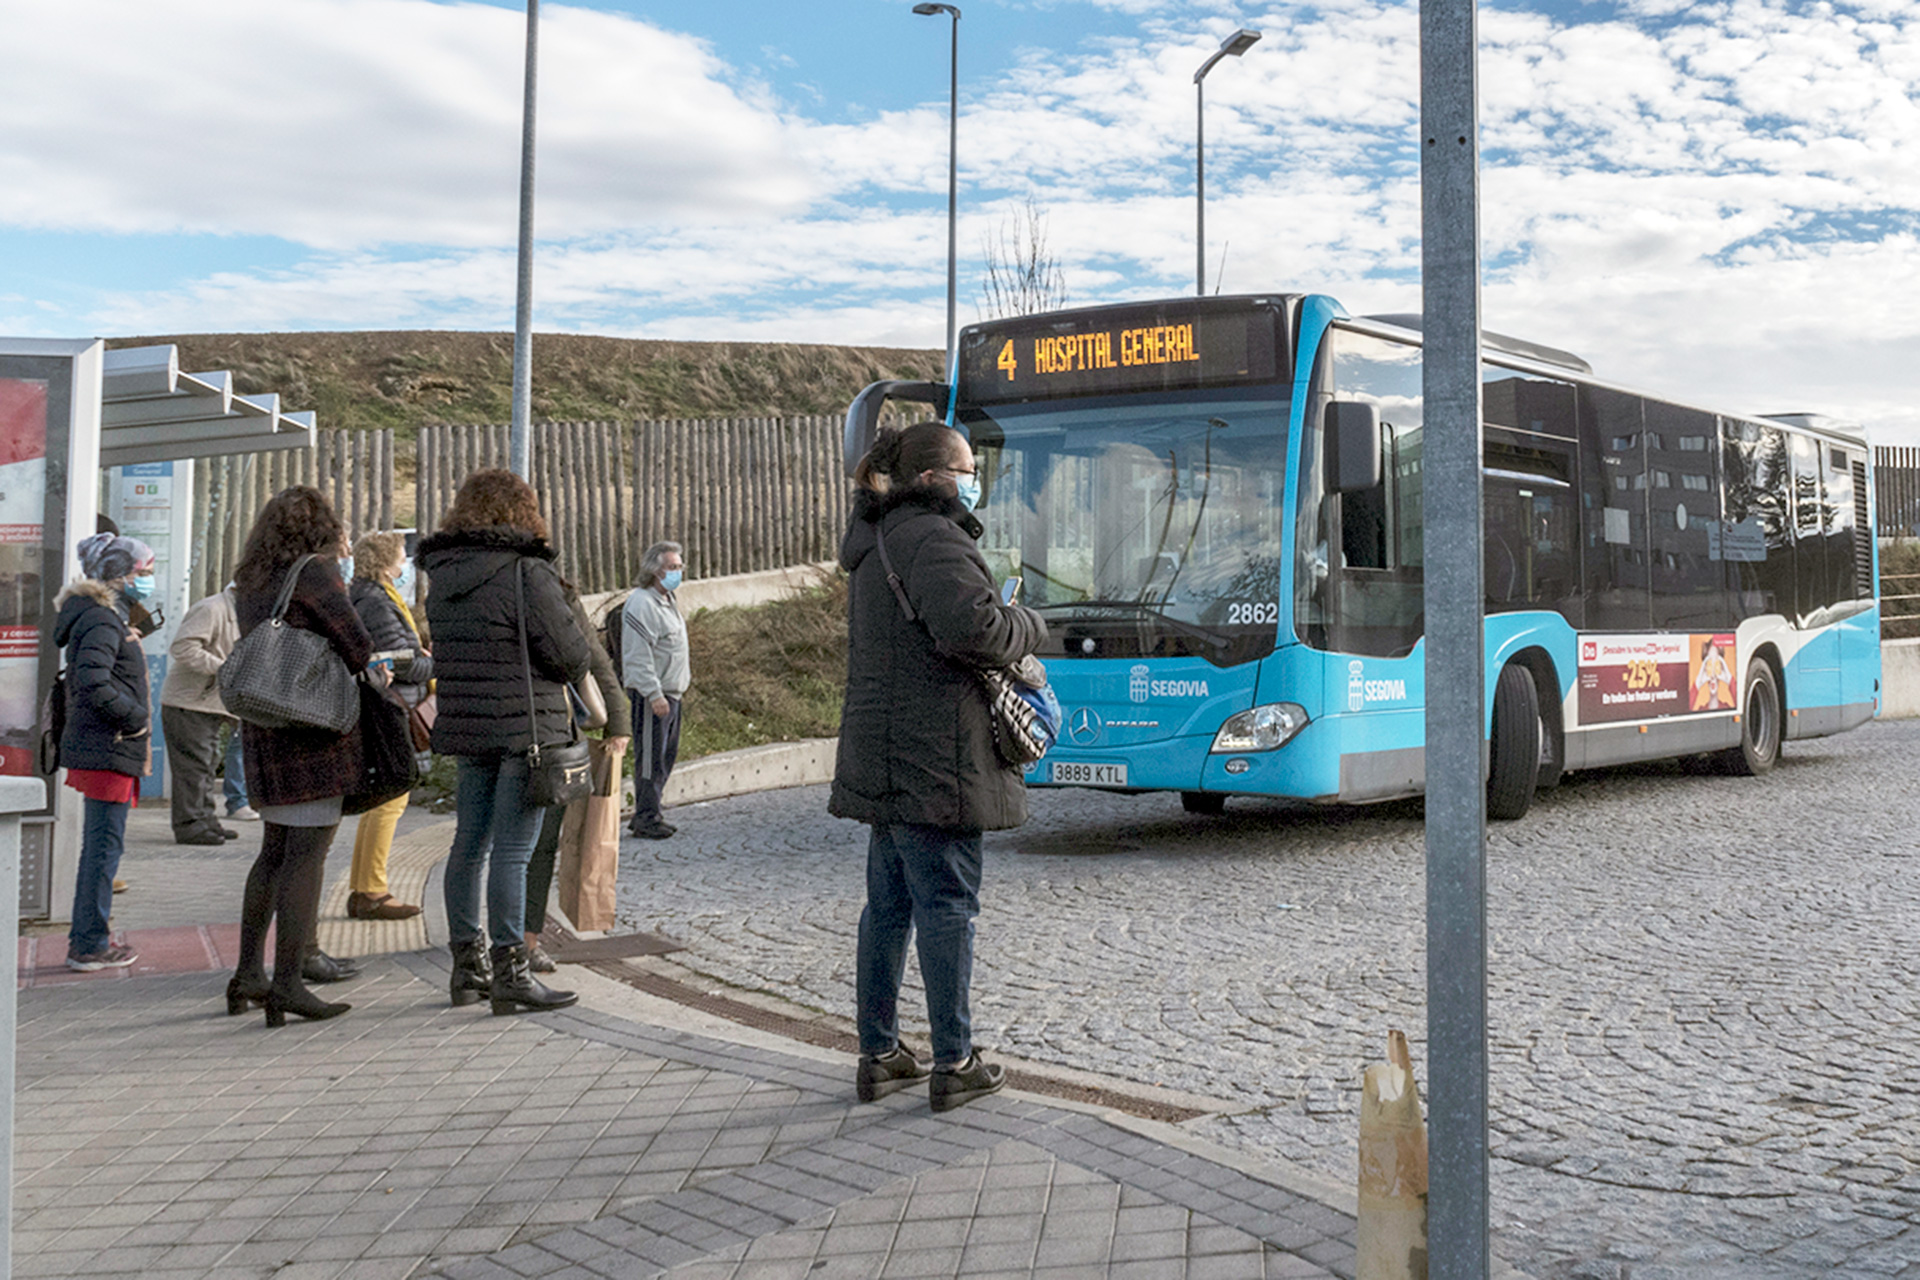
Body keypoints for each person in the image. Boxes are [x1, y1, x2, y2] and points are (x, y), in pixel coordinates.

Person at [830, 421, 1046, 1113]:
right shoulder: (934, 538)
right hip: (939, 756)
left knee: (887, 908)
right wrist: (1028, 624)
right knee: (948, 905)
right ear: (933, 478)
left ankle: (879, 1052)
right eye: (966, 466)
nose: (975, 476)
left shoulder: (876, 544)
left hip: (883, 753)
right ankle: (955, 1060)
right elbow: (973, 631)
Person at [419, 469, 590, 1014]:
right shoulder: (525, 572)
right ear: (524, 512)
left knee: (468, 846)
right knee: (514, 852)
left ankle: (466, 966)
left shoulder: (442, 574)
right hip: (525, 730)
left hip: (470, 727)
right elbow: (570, 656)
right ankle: (511, 969)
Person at [227, 486, 376, 1027]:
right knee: (307, 855)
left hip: (266, 728)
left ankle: (248, 973)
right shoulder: (315, 573)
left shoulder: (252, 577)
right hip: (312, 731)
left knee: (272, 852)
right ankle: (288, 981)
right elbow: (356, 644)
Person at [52, 533, 156, 971]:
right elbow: (94, 680)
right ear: (118, 575)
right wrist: (133, 717)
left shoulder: (103, 617)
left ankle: (90, 936)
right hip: (109, 745)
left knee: (101, 845)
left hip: (106, 745)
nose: (148, 581)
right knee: (102, 848)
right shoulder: (100, 619)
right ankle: (90, 942)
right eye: (142, 573)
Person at [523, 580, 630, 971]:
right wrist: (616, 720)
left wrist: (617, 718)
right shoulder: (544, 582)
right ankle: (522, 943)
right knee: (535, 846)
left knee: (478, 846)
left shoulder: (451, 577)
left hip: (480, 734)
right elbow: (582, 655)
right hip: (543, 729)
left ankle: (472, 952)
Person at [345, 532, 432, 921]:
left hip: (387, 704)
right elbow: (398, 660)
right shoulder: (378, 601)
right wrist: (434, 664)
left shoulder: (367, 596)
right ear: (383, 562)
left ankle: (364, 886)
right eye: (400, 557)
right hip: (395, 707)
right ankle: (372, 890)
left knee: (382, 799)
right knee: (392, 798)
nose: (404, 563)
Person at [158, 586, 243, 845]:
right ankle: (190, 824)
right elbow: (183, 648)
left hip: (208, 703)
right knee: (194, 767)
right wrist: (224, 668)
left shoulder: (240, 612)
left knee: (206, 764)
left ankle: (205, 819)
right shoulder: (211, 609)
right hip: (189, 702)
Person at [621, 541, 688, 840]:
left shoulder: (668, 600)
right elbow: (638, 655)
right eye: (672, 567)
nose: (678, 572)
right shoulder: (642, 603)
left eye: (679, 566)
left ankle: (651, 811)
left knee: (665, 757)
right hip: (654, 696)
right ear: (654, 570)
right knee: (650, 758)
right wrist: (653, 693)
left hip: (673, 693)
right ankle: (646, 816)